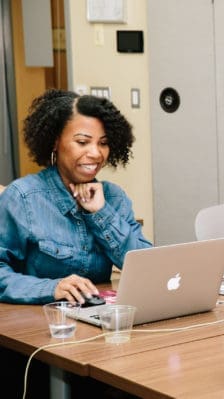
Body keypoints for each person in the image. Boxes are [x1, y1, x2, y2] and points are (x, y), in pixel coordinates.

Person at [0, 89, 152, 305]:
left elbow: (147, 268)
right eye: (82, 142)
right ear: (55, 142)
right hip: (41, 325)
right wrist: (52, 288)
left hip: (99, 322)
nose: (96, 153)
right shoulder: (23, 198)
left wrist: (101, 213)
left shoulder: (114, 198)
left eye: (103, 143)